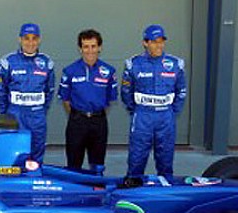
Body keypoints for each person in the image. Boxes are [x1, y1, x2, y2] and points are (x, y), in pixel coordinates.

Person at [121, 24, 187, 181]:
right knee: (136, 159)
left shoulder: (176, 64)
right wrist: (137, 110)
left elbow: (181, 91)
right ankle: (133, 190)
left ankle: (165, 194)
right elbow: (125, 93)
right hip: (143, 117)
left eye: (161, 41)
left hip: (166, 117)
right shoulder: (133, 64)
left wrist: (171, 112)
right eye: (154, 41)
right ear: (145, 43)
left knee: (165, 160)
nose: (159, 45)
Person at [0, 23, 55, 164]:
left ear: (39, 40)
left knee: (37, 153)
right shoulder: (7, 62)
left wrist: (40, 110)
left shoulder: (47, 62)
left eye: (34, 38)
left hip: (37, 116)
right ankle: (13, 185)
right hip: (15, 115)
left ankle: (34, 181)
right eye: (26, 38)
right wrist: (6, 113)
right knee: (14, 154)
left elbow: (49, 91)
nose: (30, 42)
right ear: (20, 39)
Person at [58, 29, 118, 170]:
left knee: (97, 165)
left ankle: (96, 190)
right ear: (80, 49)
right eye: (86, 46)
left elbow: (109, 100)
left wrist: (96, 113)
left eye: (93, 46)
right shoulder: (69, 71)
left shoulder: (109, 71)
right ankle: (74, 191)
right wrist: (78, 115)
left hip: (99, 123)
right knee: (73, 165)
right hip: (77, 122)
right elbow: (65, 100)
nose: (90, 50)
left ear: (99, 48)